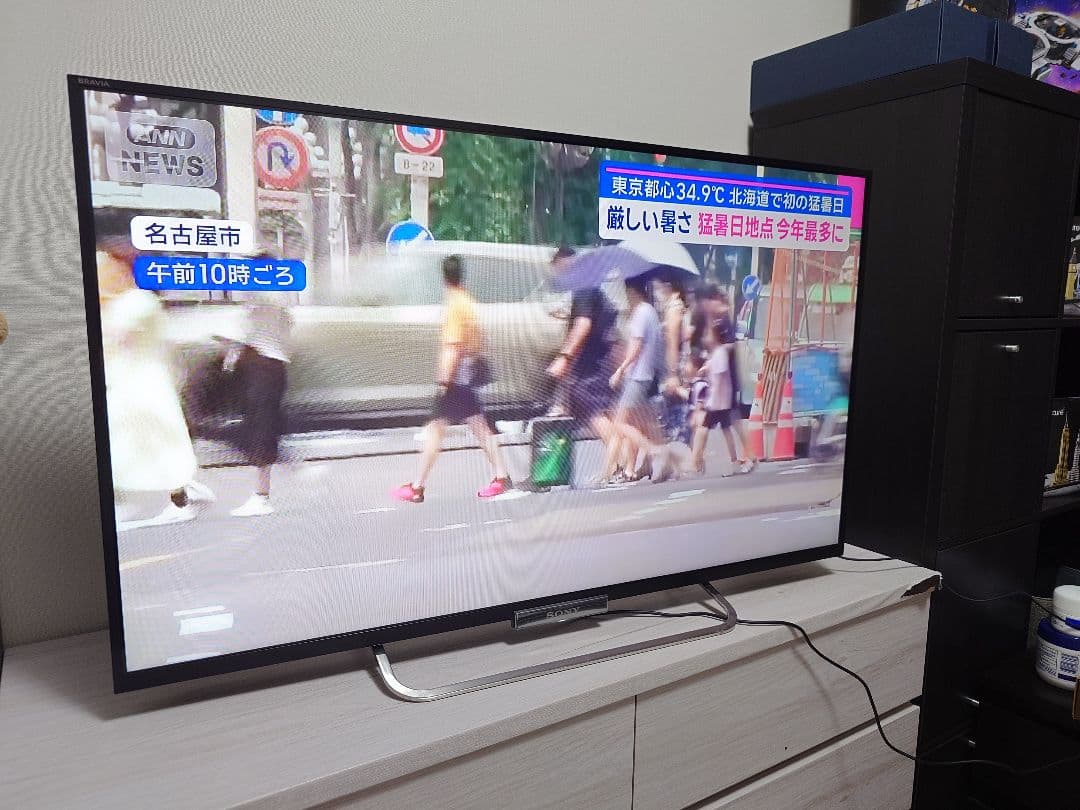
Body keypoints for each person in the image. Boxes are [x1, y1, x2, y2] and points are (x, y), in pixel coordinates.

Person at [97, 238, 213, 529]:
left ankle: (176, 497)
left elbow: (118, 339)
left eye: (107, 267)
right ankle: (178, 494)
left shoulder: (136, 301)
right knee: (139, 443)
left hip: (140, 385)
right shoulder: (125, 301)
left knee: (142, 442)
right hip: (130, 383)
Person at [393, 256, 510, 503]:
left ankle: (417, 487)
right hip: (466, 374)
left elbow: (453, 346)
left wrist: (444, 381)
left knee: (437, 429)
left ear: (444, 277)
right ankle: (501, 477)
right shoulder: (467, 302)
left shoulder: (454, 305)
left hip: (455, 378)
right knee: (478, 426)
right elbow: (479, 340)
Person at [545, 257, 621, 485]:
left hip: (591, 364)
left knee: (595, 414)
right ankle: (619, 467)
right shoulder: (591, 288)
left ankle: (612, 470)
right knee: (604, 415)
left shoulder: (584, 289)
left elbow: (583, 325)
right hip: (599, 360)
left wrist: (564, 358)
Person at [227, 288, 293, 518]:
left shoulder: (264, 297)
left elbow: (245, 332)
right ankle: (262, 493)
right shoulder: (274, 299)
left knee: (261, 429)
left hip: (264, 366)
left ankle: (261, 496)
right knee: (260, 428)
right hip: (269, 367)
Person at [608, 275, 671, 483]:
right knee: (646, 422)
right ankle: (664, 462)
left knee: (620, 422)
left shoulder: (640, 313)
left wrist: (621, 370)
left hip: (637, 375)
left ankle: (653, 451)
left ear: (631, 291)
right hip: (649, 374)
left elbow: (636, 346)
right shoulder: (651, 311)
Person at [690, 320, 741, 476]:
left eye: (708, 334)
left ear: (716, 337)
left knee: (703, 429)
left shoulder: (719, 353)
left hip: (717, 402)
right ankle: (733, 462)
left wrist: (711, 401)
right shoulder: (717, 352)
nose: (706, 337)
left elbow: (718, 381)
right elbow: (711, 366)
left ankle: (696, 462)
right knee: (725, 430)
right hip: (720, 401)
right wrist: (705, 368)